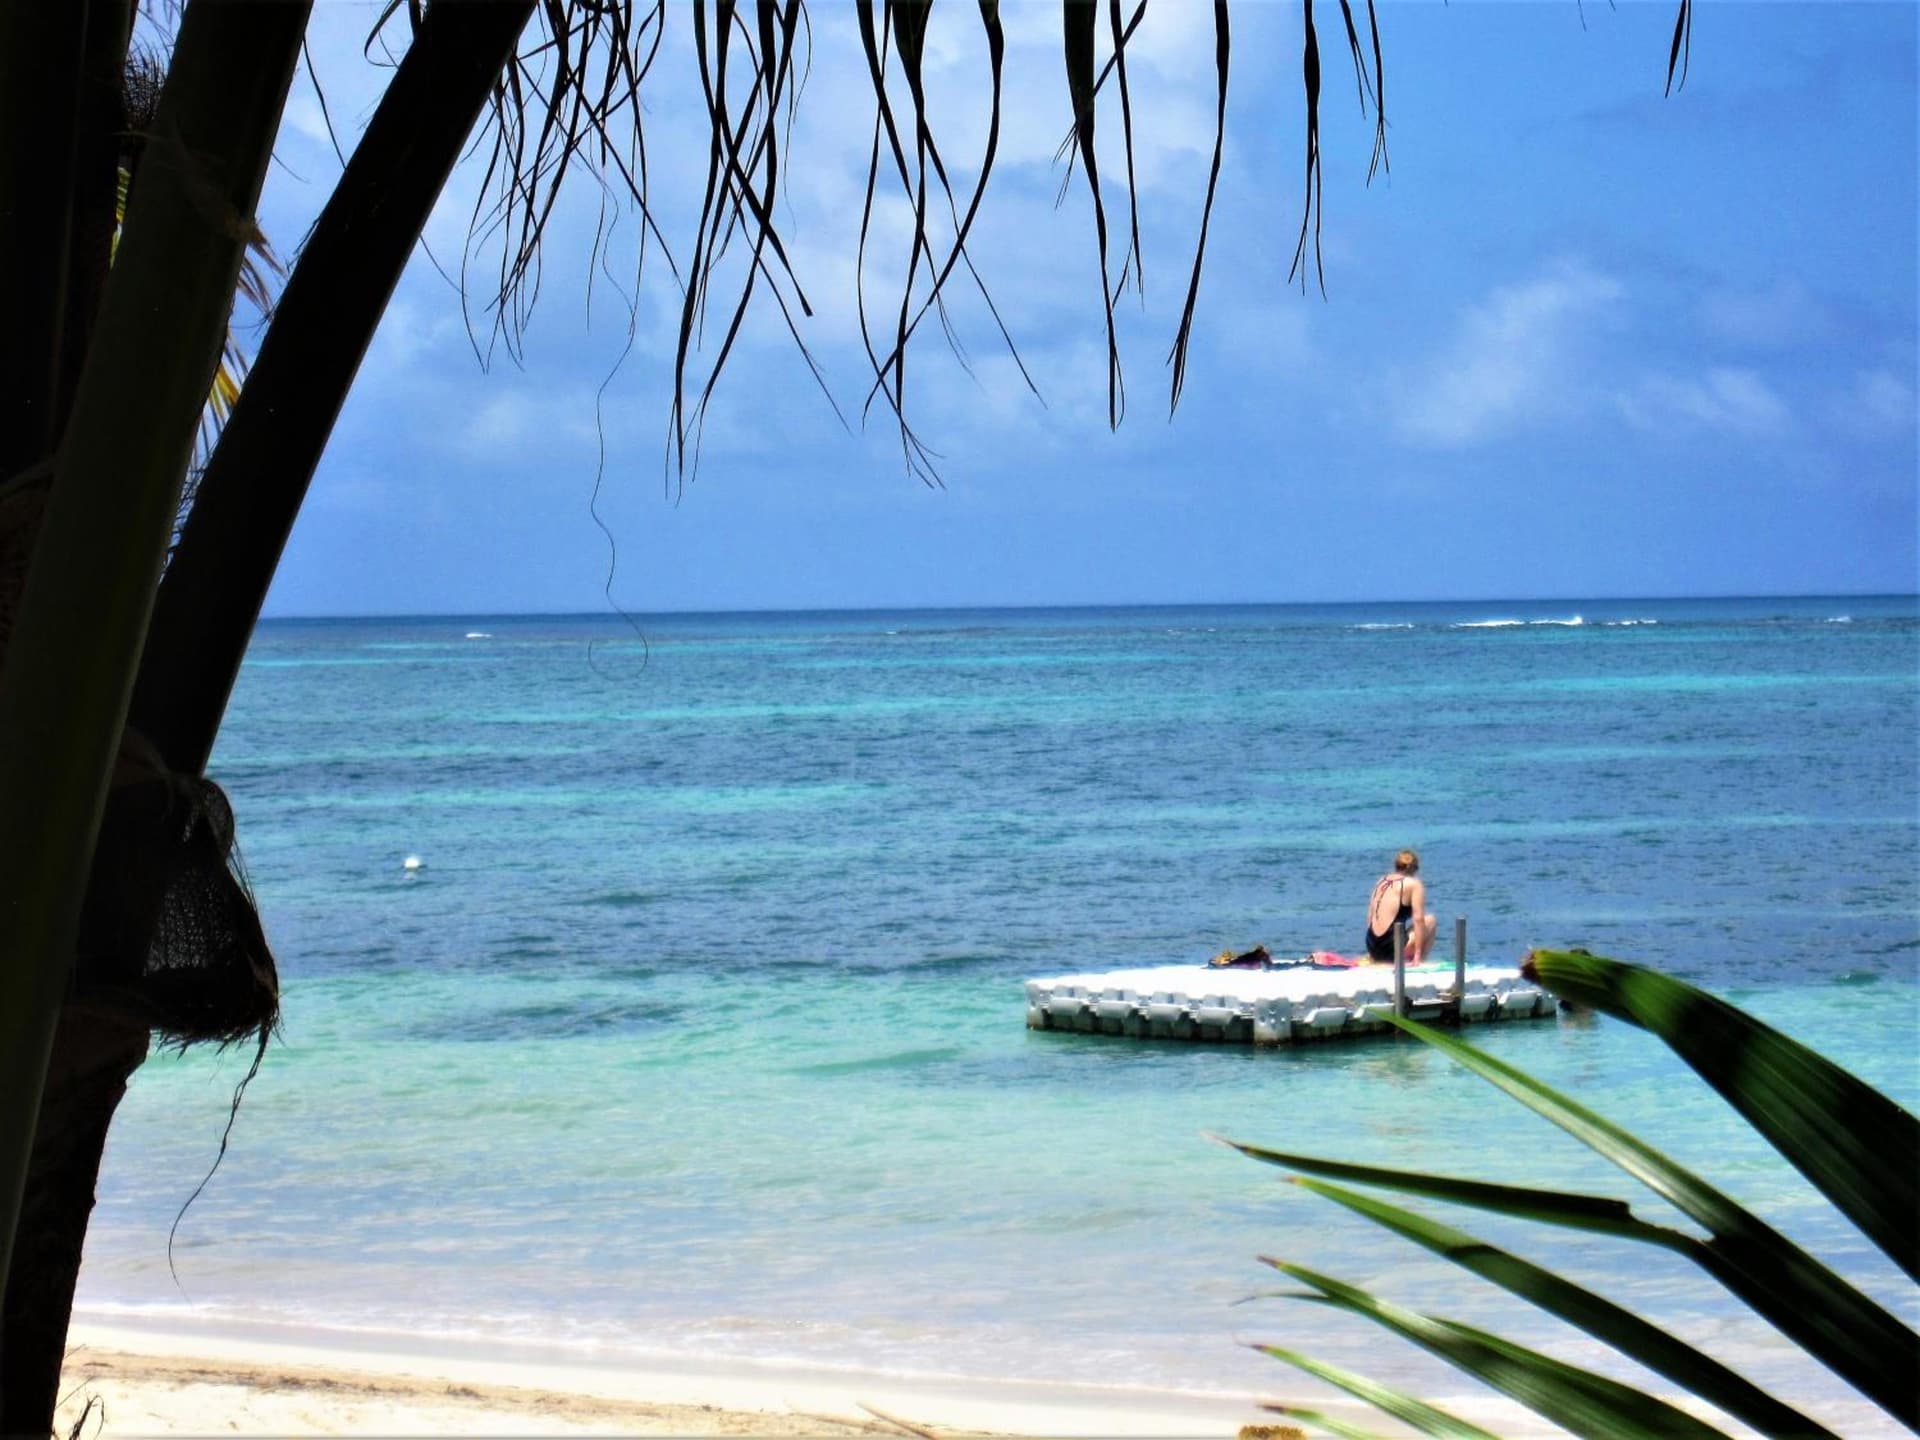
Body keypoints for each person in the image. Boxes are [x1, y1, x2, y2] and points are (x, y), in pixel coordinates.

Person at [1364, 850, 1436, 963]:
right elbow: (1419, 920)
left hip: (1372, 948)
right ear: (1415, 868)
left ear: (1396, 866)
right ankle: (1421, 960)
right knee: (1431, 920)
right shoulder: (1414, 884)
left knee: (1396, 930)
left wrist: (1372, 952)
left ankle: (1375, 957)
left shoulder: (1382, 880)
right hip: (1393, 951)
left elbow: (1370, 917)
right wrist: (1417, 953)